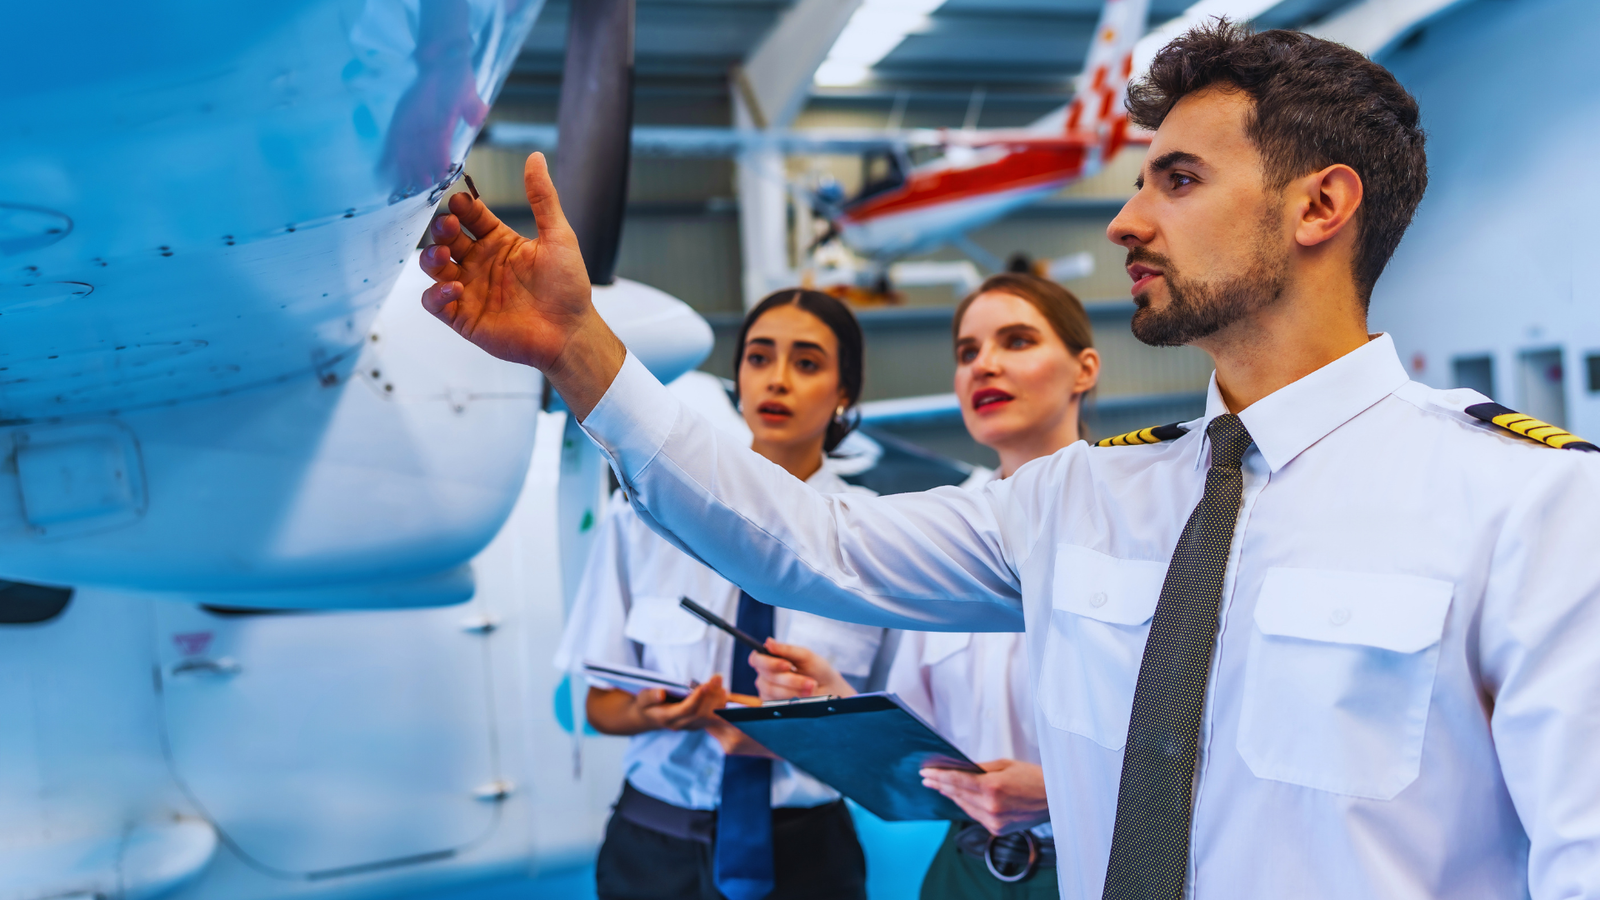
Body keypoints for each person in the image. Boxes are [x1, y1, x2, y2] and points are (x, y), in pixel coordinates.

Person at [421, 20, 1600, 900]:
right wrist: (583, 354)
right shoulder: (1084, 498)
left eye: (1176, 180)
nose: (1125, 221)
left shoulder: (1532, 507)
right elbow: (810, 540)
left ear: (1320, 206)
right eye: (1138, 181)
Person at [750, 272, 1100, 899]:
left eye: (1015, 342)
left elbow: (1208, 730)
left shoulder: (1140, 525)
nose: (983, 365)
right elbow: (920, 739)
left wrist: (1060, 792)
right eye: (967, 352)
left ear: (1084, 369)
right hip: (964, 869)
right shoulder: (936, 531)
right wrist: (831, 696)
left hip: (1101, 865)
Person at [552, 289, 891, 900]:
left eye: (807, 363)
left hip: (809, 854)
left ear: (846, 392)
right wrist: (655, 713)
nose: (778, 380)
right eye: (759, 358)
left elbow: (897, 735)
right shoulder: (646, 517)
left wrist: (810, 727)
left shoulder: (881, 538)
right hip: (654, 852)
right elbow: (601, 706)